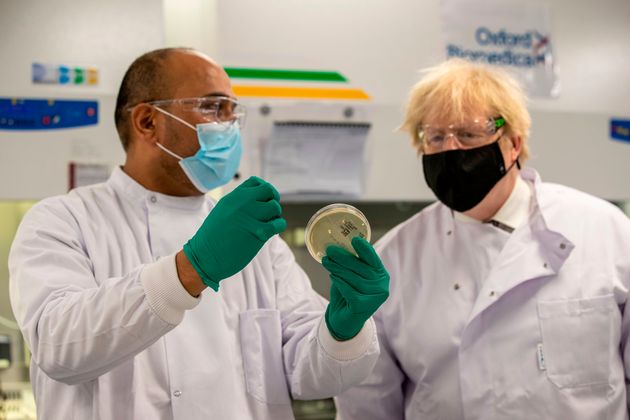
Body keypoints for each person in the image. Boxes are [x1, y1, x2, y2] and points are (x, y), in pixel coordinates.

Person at [8, 47, 390, 419]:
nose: (228, 124)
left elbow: (306, 375)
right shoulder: (62, 221)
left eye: (232, 111)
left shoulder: (256, 240)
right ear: (146, 121)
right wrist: (191, 269)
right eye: (212, 107)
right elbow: (59, 348)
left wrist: (342, 329)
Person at [335, 58, 630, 419]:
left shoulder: (604, 231)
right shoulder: (394, 259)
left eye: (469, 133)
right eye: (436, 137)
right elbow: (367, 405)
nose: (450, 149)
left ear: (513, 143)